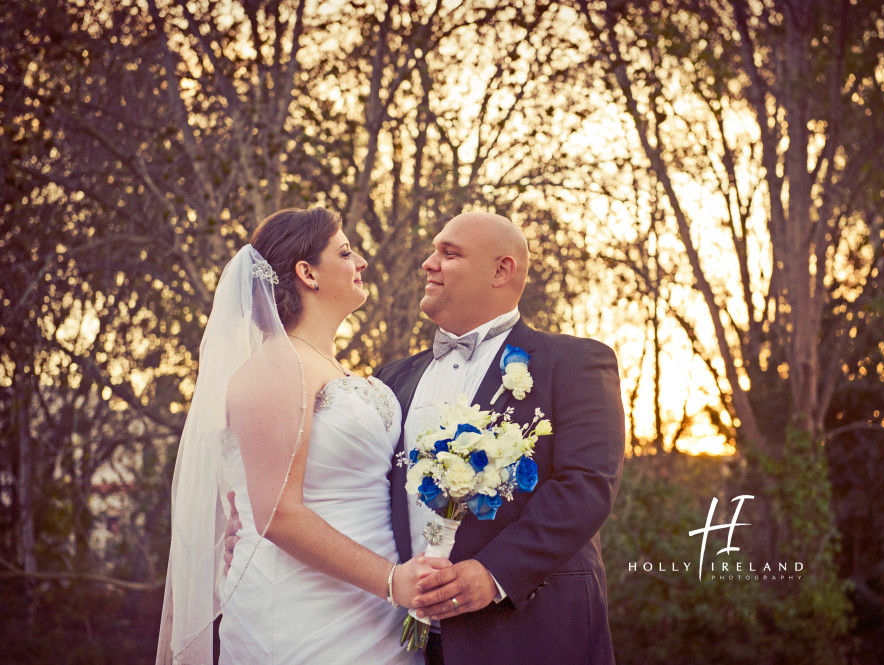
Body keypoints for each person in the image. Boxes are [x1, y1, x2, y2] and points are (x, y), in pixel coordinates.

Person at [156, 207, 448, 665]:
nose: (361, 263)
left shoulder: (333, 367)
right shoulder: (275, 364)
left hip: (371, 606)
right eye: (346, 251)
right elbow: (278, 515)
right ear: (307, 273)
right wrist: (393, 580)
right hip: (302, 611)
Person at [376, 212, 626, 664]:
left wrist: (494, 574)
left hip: (530, 634)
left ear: (501, 270)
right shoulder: (391, 381)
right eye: (434, 251)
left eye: (449, 253)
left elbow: (586, 487)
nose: (429, 264)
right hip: (399, 640)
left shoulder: (574, 364)